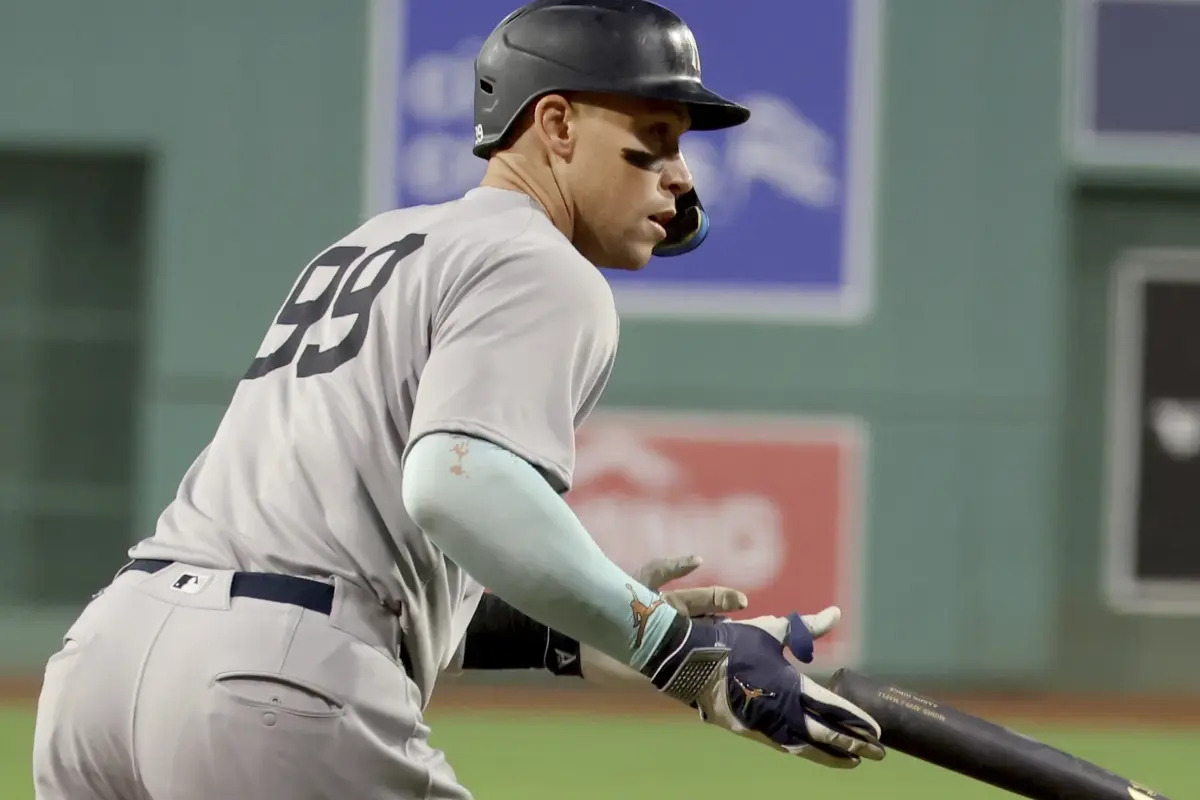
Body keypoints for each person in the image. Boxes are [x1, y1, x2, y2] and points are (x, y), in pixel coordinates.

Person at [31, 2, 885, 798]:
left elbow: (344, 555)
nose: (681, 177)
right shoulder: (542, 264)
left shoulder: (381, 239)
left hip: (107, 665)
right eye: (655, 139)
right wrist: (679, 654)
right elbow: (454, 485)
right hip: (266, 687)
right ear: (555, 124)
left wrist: (589, 625)